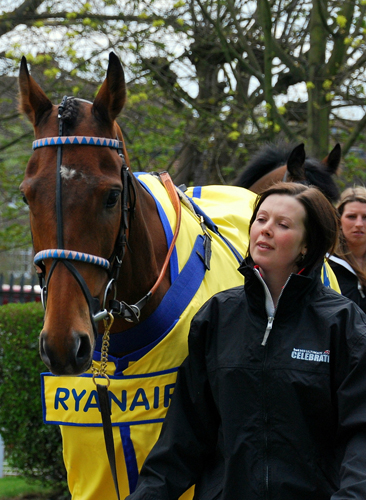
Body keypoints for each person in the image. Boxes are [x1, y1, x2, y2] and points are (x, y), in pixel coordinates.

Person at [125, 182, 366, 500]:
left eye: (282, 225)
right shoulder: (218, 316)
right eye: (261, 219)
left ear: (307, 245)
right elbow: (184, 435)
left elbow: (359, 431)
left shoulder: (342, 322)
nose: (265, 230)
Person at [328, 186, 366, 313]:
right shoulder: (326, 264)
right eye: (351, 216)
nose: (359, 224)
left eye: (365, 217)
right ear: (339, 220)